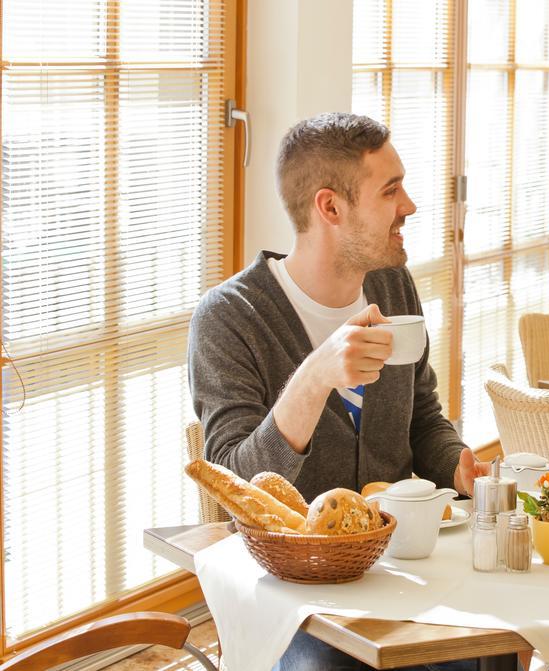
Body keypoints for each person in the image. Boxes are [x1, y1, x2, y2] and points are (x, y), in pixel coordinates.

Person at [188, 112, 486, 669]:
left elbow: (423, 416)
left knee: (488, 646)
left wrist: (458, 465)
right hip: (293, 597)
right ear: (330, 207)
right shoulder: (231, 319)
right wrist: (314, 376)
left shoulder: (393, 284)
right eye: (391, 191)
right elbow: (237, 485)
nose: (411, 207)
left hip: (404, 575)